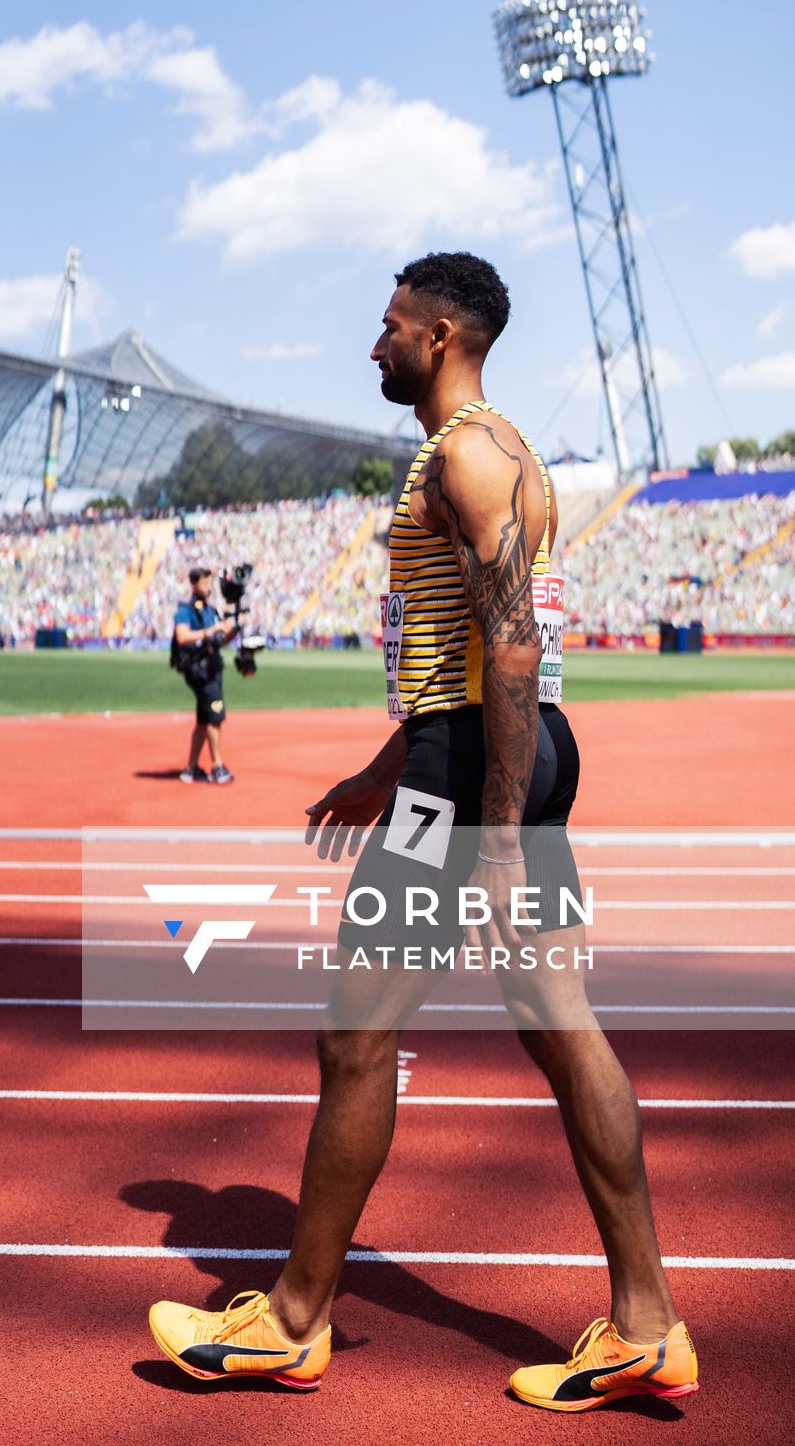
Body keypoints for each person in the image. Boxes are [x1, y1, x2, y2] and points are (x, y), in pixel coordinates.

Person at [148, 251, 697, 1412]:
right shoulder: (490, 453)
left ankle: (292, 1321)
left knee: (355, 1039)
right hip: (492, 753)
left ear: (440, 335)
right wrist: (377, 769)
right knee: (559, 1027)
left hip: (476, 773)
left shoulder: (471, 454)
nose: (374, 343)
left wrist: (488, 835)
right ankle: (644, 1321)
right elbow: (460, 662)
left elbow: (507, 648)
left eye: (390, 325)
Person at [173, 566, 237, 784]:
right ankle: (217, 766)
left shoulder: (211, 611)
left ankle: (190, 769)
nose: (209, 588)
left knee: (203, 720)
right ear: (194, 585)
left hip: (212, 668)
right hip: (199, 671)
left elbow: (221, 640)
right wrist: (208, 632)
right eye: (204, 583)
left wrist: (235, 630)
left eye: (210, 583)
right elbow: (182, 636)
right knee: (214, 716)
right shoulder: (185, 610)